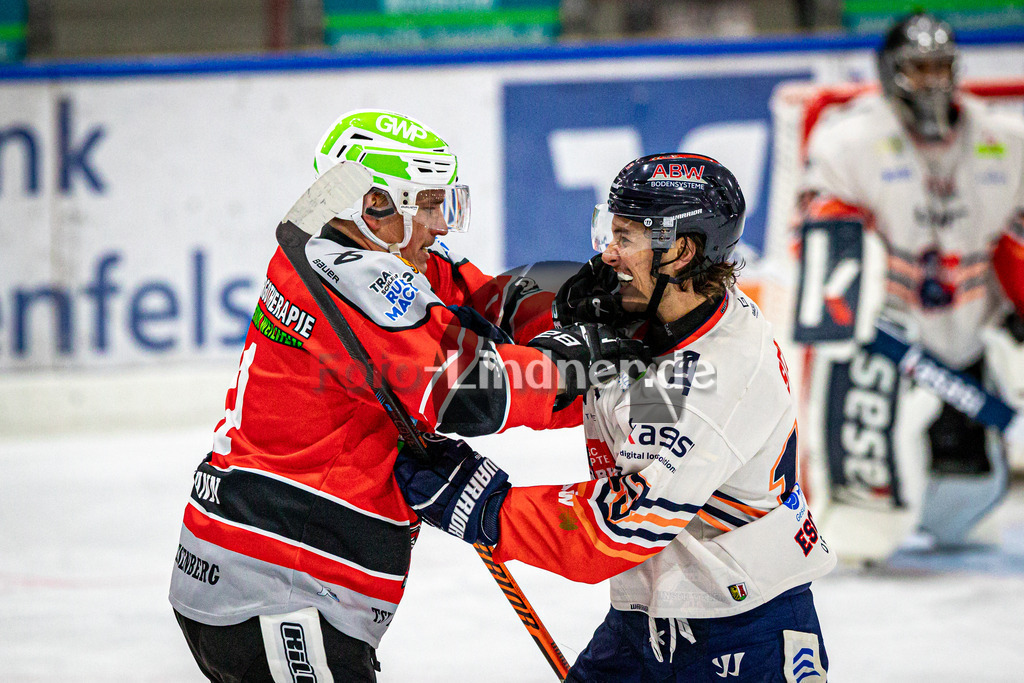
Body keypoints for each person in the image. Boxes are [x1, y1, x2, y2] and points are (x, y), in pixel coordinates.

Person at [168, 109, 645, 682]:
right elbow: (475, 392)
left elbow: (490, 300)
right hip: (279, 585)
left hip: (261, 567)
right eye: (424, 205)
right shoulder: (354, 278)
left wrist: (581, 299)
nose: (438, 224)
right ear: (373, 204)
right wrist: (585, 356)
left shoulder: (354, 251)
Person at [395, 154, 836, 681]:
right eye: (610, 229)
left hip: (742, 637)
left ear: (681, 250)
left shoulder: (717, 378)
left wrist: (487, 508)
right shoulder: (673, 310)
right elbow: (610, 405)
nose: (607, 252)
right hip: (645, 623)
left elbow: (613, 530)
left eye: (625, 237)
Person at [795, 12, 1024, 561]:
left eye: (940, 66)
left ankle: (959, 500)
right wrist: (851, 317)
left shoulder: (1006, 139)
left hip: (971, 324)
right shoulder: (849, 138)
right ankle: (855, 520)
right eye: (918, 68)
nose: (932, 80)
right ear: (890, 70)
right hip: (887, 324)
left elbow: (1013, 237)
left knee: (964, 510)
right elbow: (822, 239)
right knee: (862, 513)